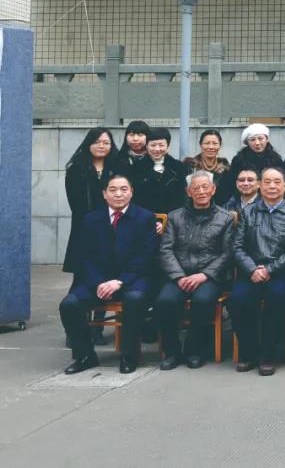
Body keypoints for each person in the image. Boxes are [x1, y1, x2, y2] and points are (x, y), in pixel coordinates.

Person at [60, 174, 158, 375]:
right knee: (69, 304)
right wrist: (98, 282)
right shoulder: (91, 219)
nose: (118, 194)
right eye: (113, 190)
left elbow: (146, 256)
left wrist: (120, 281)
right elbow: (83, 256)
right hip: (98, 281)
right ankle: (85, 355)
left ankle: (129, 356)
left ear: (131, 192)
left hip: (132, 279)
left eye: (124, 189)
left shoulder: (145, 217)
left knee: (135, 300)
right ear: (104, 194)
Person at [229, 167, 285, 376]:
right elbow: (237, 247)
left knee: (276, 298)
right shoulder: (247, 211)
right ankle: (249, 352)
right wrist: (252, 269)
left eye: (277, 182)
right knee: (237, 300)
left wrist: (270, 269)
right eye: (267, 182)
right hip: (251, 272)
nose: (272, 186)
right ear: (259, 185)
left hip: (281, 273)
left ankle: (268, 355)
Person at [155, 171, 233, 370]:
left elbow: (227, 253)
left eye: (205, 187)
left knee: (203, 300)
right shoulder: (174, 216)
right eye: (196, 188)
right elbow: (166, 249)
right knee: (165, 300)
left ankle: (195, 349)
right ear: (188, 192)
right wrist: (178, 276)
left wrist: (204, 275)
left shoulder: (225, 218)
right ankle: (171, 352)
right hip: (179, 275)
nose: (201, 191)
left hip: (209, 277)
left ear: (213, 189)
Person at [63, 127, 121, 281]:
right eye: (96, 142)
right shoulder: (76, 169)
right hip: (85, 223)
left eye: (106, 143)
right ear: (88, 144)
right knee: (84, 271)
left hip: (114, 223)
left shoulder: (117, 167)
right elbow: (75, 202)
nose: (101, 146)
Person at [132, 127, 191, 215]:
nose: (157, 149)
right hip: (145, 217)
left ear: (168, 146)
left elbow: (183, 197)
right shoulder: (136, 167)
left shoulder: (179, 167)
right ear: (147, 146)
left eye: (161, 145)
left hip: (173, 218)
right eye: (153, 145)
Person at [224, 123, 285, 202]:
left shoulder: (275, 159)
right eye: (252, 140)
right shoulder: (239, 159)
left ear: (267, 139)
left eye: (260, 138)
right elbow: (232, 183)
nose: (257, 143)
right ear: (247, 142)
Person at [183, 129, 230, 197]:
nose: (211, 147)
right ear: (200, 145)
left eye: (215, 143)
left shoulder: (225, 166)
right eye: (207, 143)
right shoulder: (190, 165)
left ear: (220, 145)